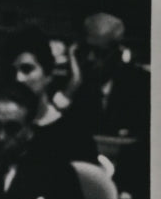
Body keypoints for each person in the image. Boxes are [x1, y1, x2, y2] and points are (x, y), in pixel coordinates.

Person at [1, 25, 98, 163]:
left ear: (48, 74)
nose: (18, 79)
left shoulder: (75, 137)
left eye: (27, 69)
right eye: (12, 72)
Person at [59, 12, 150, 140]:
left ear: (118, 53)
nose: (90, 58)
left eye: (98, 52)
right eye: (85, 49)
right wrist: (72, 86)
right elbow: (51, 129)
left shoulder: (142, 85)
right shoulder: (74, 82)